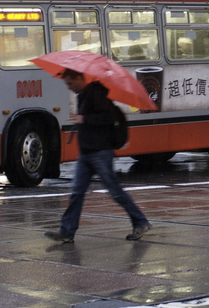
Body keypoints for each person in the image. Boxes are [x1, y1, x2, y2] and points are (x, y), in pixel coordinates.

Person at [45, 69, 151, 244]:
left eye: (70, 83)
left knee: (115, 191)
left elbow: (107, 117)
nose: (69, 88)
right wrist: (81, 122)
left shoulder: (96, 94)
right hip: (86, 153)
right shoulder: (83, 95)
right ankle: (66, 231)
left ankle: (140, 221)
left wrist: (84, 120)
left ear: (80, 78)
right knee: (77, 193)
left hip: (100, 152)